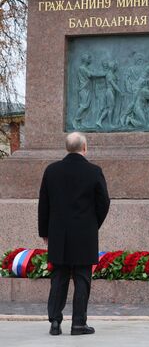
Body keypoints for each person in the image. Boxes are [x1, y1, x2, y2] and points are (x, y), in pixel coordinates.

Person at [38, 132, 110, 335]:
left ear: (67, 148)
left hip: (58, 234)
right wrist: (93, 224)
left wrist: (45, 231)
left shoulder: (51, 171)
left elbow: (44, 203)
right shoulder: (94, 171)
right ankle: (78, 323)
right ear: (84, 147)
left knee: (58, 277)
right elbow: (104, 202)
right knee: (82, 278)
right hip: (84, 234)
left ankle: (55, 322)